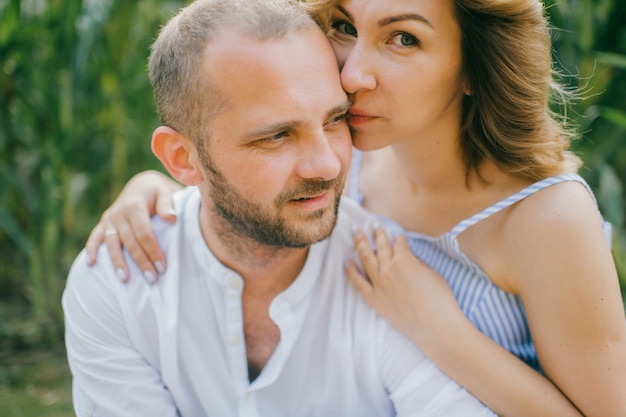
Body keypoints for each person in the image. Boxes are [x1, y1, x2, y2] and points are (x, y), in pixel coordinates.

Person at [85, 0, 626, 416]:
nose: (350, 75)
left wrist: (441, 330)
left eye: (403, 39)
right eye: (344, 27)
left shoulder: (547, 218)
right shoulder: (347, 163)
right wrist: (148, 187)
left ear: (472, 66)